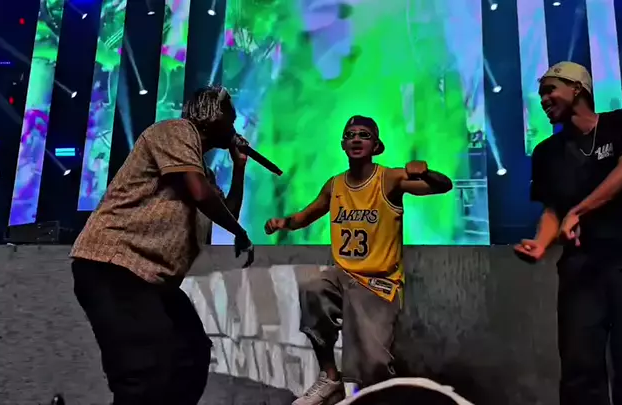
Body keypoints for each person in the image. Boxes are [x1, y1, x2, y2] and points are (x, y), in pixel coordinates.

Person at [70, 86, 254, 405]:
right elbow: (201, 195)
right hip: (115, 265)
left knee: (189, 358)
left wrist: (239, 169)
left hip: (153, 279)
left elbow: (225, 212)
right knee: (143, 370)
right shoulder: (176, 131)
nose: (234, 126)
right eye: (231, 117)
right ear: (213, 115)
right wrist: (240, 232)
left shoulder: (202, 172)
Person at [265, 115, 453, 405]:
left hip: (379, 283)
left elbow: (443, 186)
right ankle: (330, 379)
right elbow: (306, 216)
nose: (356, 139)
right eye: (350, 134)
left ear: (376, 146)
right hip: (343, 276)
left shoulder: (389, 179)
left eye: (364, 135)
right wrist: (283, 223)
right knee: (313, 288)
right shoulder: (335, 185)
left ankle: (373, 398)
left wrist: (426, 173)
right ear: (343, 144)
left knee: (374, 366)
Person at [514, 62, 622, 405]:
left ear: (577, 88)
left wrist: (579, 210)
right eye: (541, 94)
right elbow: (552, 210)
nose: (543, 99)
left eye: (550, 90)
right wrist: (540, 243)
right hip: (580, 269)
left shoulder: (621, 122)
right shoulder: (546, 152)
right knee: (579, 368)